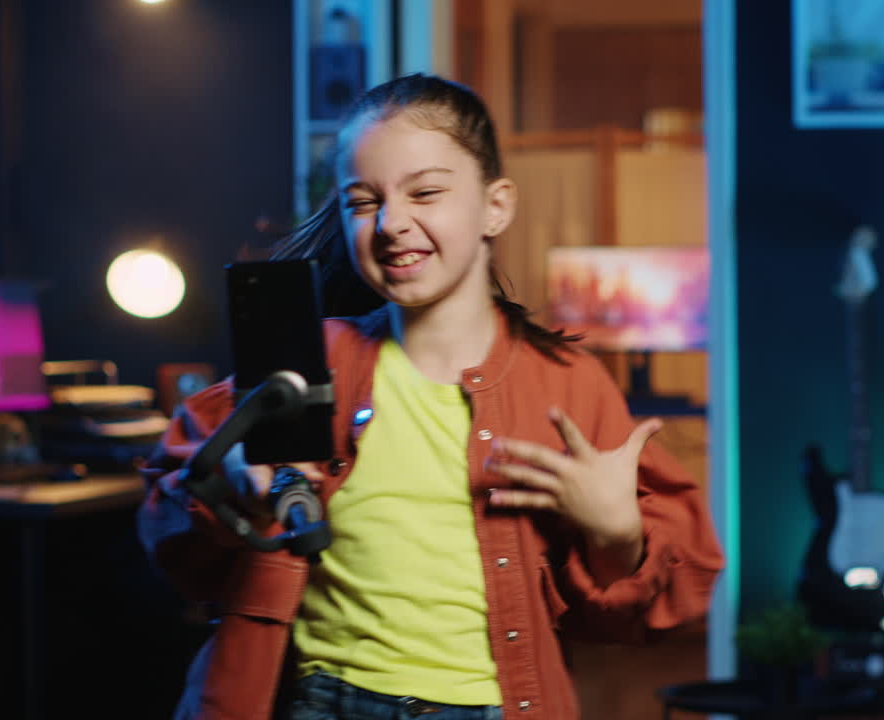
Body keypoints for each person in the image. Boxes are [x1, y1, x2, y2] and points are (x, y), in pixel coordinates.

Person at [137, 72, 723, 720]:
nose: (392, 223)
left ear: (495, 206)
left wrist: (617, 532)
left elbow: (648, 607)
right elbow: (169, 526)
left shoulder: (568, 385)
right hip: (315, 702)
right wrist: (233, 492)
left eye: (427, 192)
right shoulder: (304, 361)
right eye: (363, 201)